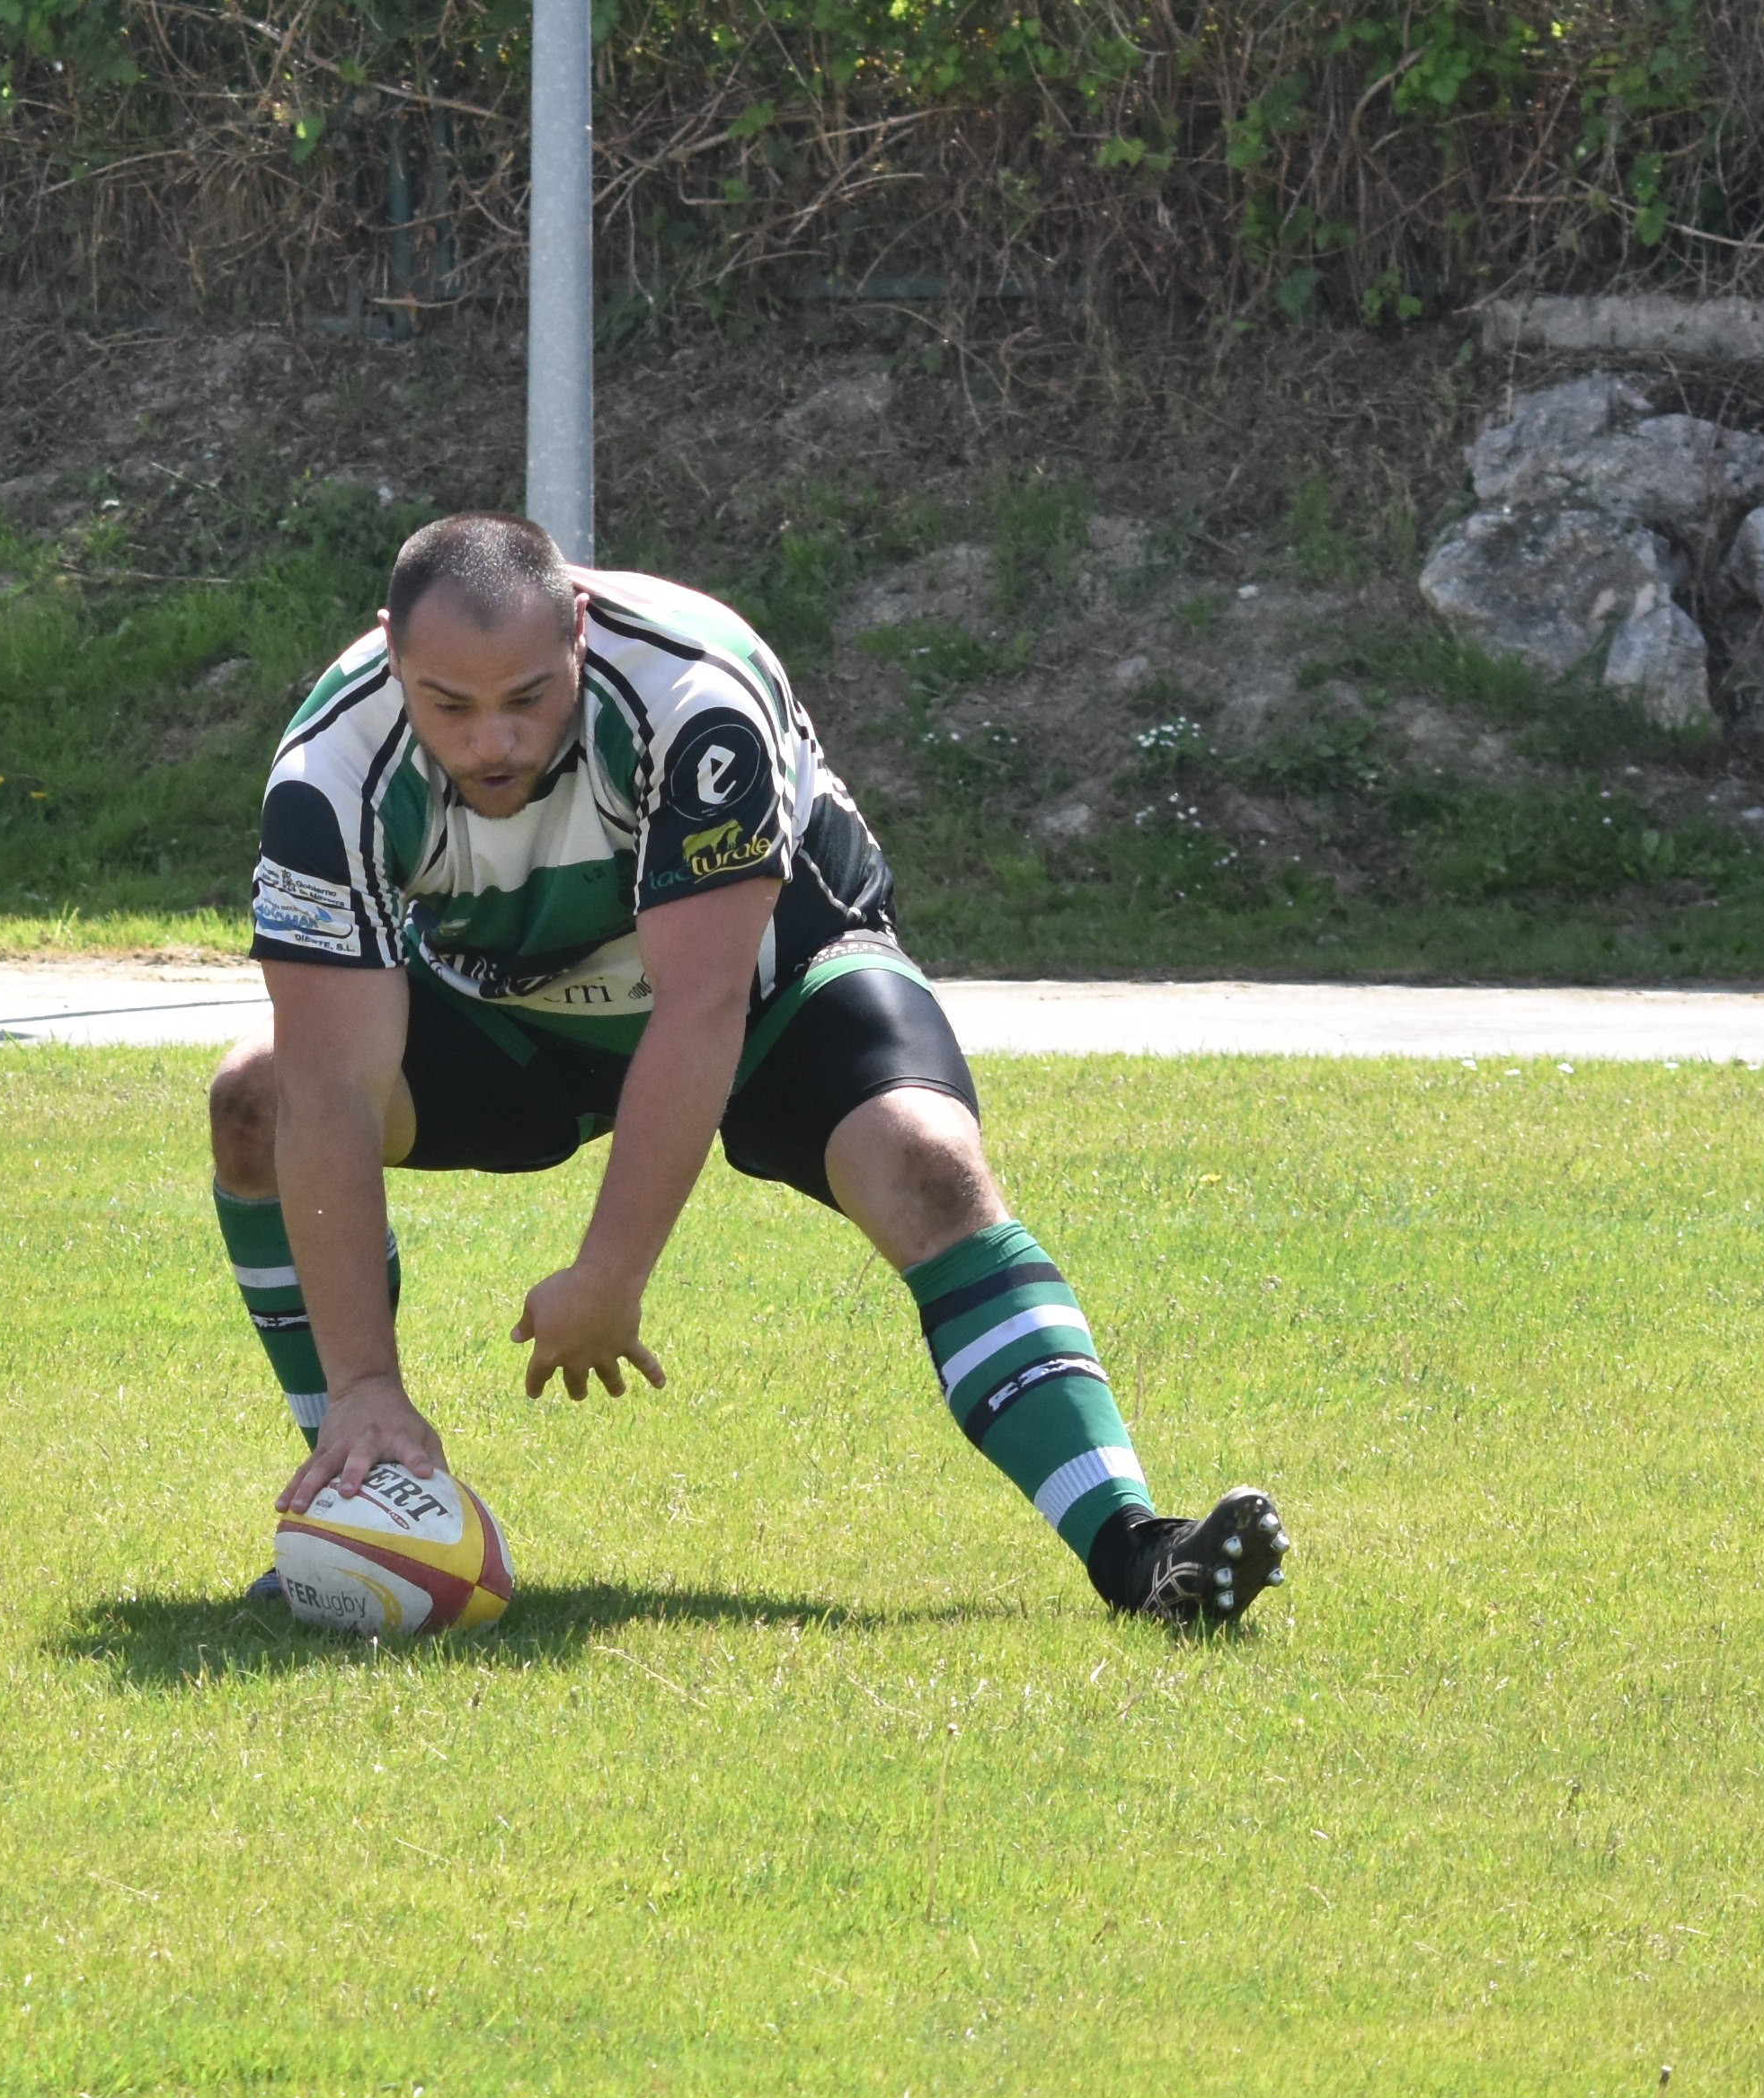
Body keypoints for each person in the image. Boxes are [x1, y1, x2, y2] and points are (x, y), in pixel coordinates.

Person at [212, 511, 1286, 1624]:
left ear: (579, 629)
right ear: (393, 654)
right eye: (451, 706)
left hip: (774, 978)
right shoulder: (327, 769)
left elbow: (700, 1005)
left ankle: (1139, 1552)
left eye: (529, 697)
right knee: (257, 1097)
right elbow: (332, 1089)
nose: (494, 741)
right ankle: (363, 1498)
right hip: (506, 1007)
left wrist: (609, 1275)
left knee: (925, 1163)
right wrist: (366, 1381)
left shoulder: (695, 699)